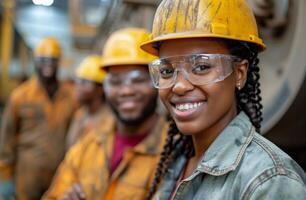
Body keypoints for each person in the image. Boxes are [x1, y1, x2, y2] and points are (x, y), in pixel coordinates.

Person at [140, 0, 306, 199]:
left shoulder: (270, 181)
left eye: (201, 67)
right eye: (167, 71)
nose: (179, 86)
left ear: (239, 74)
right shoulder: (179, 163)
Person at [43, 28, 168, 200]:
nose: (126, 91)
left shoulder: (174, 151)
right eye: (115, 82)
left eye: (138, 80)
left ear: (157, 82)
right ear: (105, 88)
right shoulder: (88, 145)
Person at [0, 37, 77, 200]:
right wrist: (5, 176)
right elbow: (7, 137)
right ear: (35, 61)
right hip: (27, 175)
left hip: (59, 174)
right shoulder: (21, 96)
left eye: (52, 60)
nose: (47, 64)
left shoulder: (71, 96)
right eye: (43, 59)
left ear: (59, 62)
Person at [65, 55, 112, 149]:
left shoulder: (109, 120)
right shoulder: (80, 114)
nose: (78, 87)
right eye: (77, 81)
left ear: (100, 89)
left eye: (84, 82)